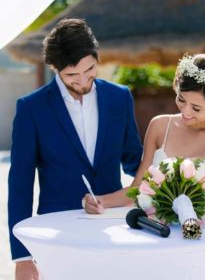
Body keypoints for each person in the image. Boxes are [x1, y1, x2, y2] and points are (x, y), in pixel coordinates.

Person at [83, 53, 205, 279]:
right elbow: (139, 189)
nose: (186, 112)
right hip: (156, 245)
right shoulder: (160, 126)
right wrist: (102, 201)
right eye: (181, 99)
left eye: (196, 108)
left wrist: (195, 207)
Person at [8, 18, 143, 280]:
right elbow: (20, 186)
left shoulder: (120, 97)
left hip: (112, 228)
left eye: (90, 69)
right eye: (71, 74)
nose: (83, 80)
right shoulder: (31, 109)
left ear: (97, 58)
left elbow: (133, 158)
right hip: (56, 234)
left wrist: (164, 184)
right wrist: (22, 256)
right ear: (54, 68)